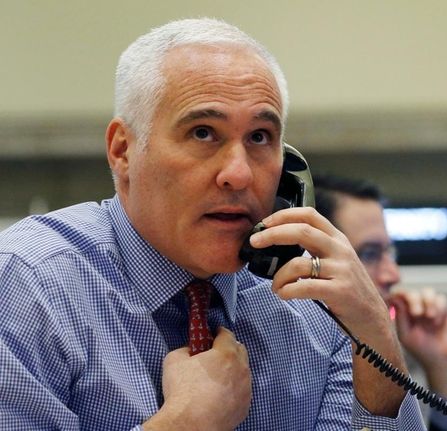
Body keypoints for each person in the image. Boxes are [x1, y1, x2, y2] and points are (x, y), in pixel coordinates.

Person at [0, 18, 425, 430]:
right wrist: (183, 424)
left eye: (259, 137)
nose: (238, 174)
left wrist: (377, 342)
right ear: (123, 150)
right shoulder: (30, 284)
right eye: (203, 133)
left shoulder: (309, 307)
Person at [313, 174, 447, 430]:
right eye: (370, 254)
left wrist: (444, 369)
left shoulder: (403, 357)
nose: (393, 274)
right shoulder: (297, 359)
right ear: (310, 253)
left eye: (390, 252)